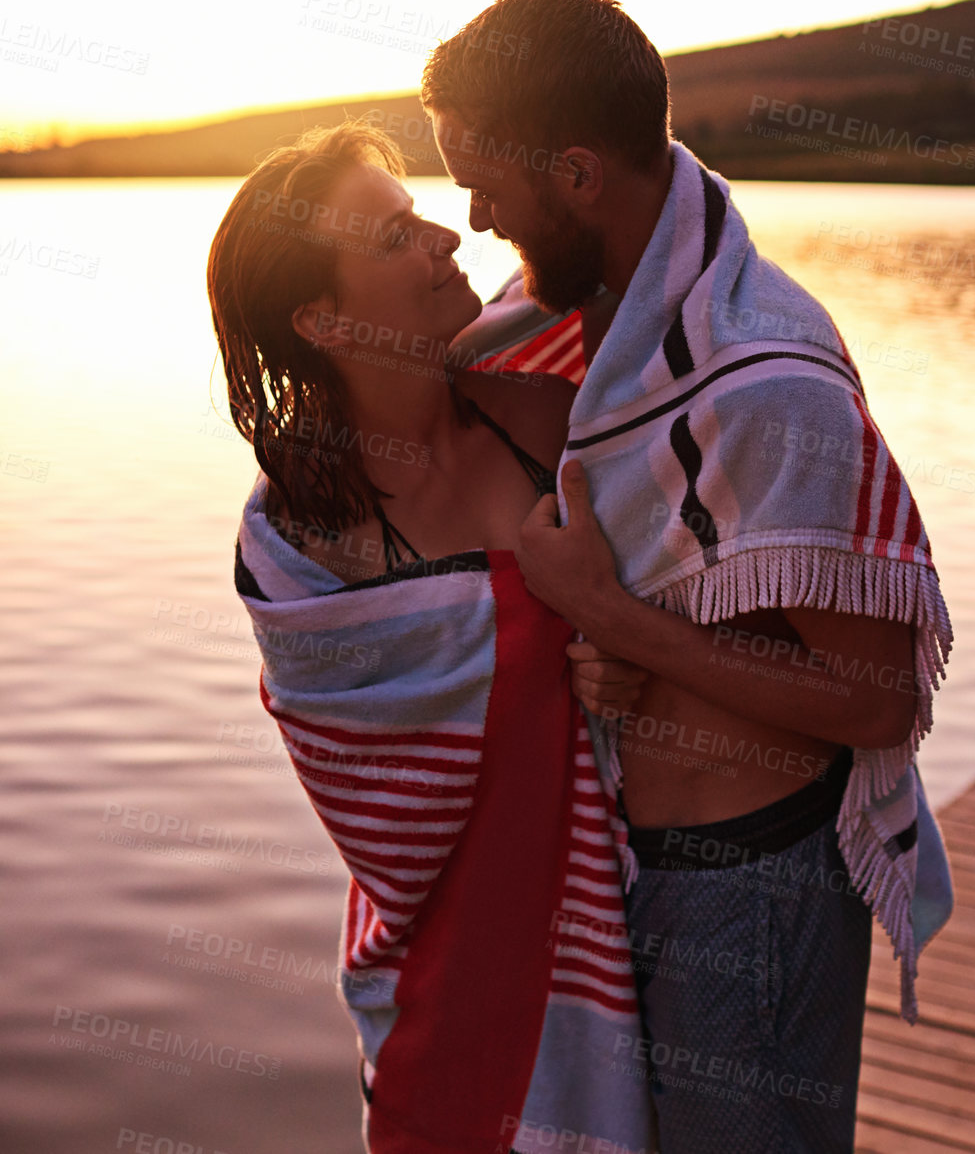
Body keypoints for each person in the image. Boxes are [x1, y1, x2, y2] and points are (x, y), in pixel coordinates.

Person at [423, 0, 956, 1154]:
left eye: (484, 179)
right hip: (656, 867)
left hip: (753, 888)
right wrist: (625, 649)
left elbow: (880, 697)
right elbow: (705, 593)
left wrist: (617, 616)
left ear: (575, 174)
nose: (470, 215)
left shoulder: (765, 377)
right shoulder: (598, 322)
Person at [205, 118, 656, 1154]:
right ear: (322, 316)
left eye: (423, 218)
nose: (445, 239)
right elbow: (382, 800)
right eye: (396, 236)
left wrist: (631, 652)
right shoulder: (305, 551)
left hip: (613, 945)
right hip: (440, 990)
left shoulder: (547, 415)